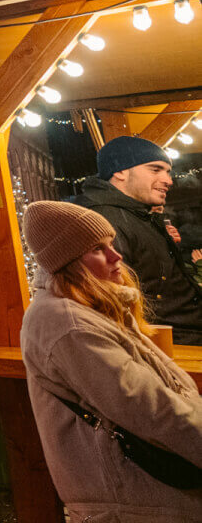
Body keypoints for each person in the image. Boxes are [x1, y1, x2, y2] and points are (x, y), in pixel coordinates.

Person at [21, 200, 202, 519]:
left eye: (111, 244)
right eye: (98, 249)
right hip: (129, 501)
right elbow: (152, 409)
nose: (117, 256)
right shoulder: (68, 324)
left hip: (143, 493)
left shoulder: (92, 308)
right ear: (69, 262)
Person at [73, 135, 202, 345]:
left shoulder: (138, 214)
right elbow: (113, 302)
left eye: (168, 172)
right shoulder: (106, 220)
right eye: (155, 169)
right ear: (120, 171)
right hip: (171, 341)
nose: (168, 180)